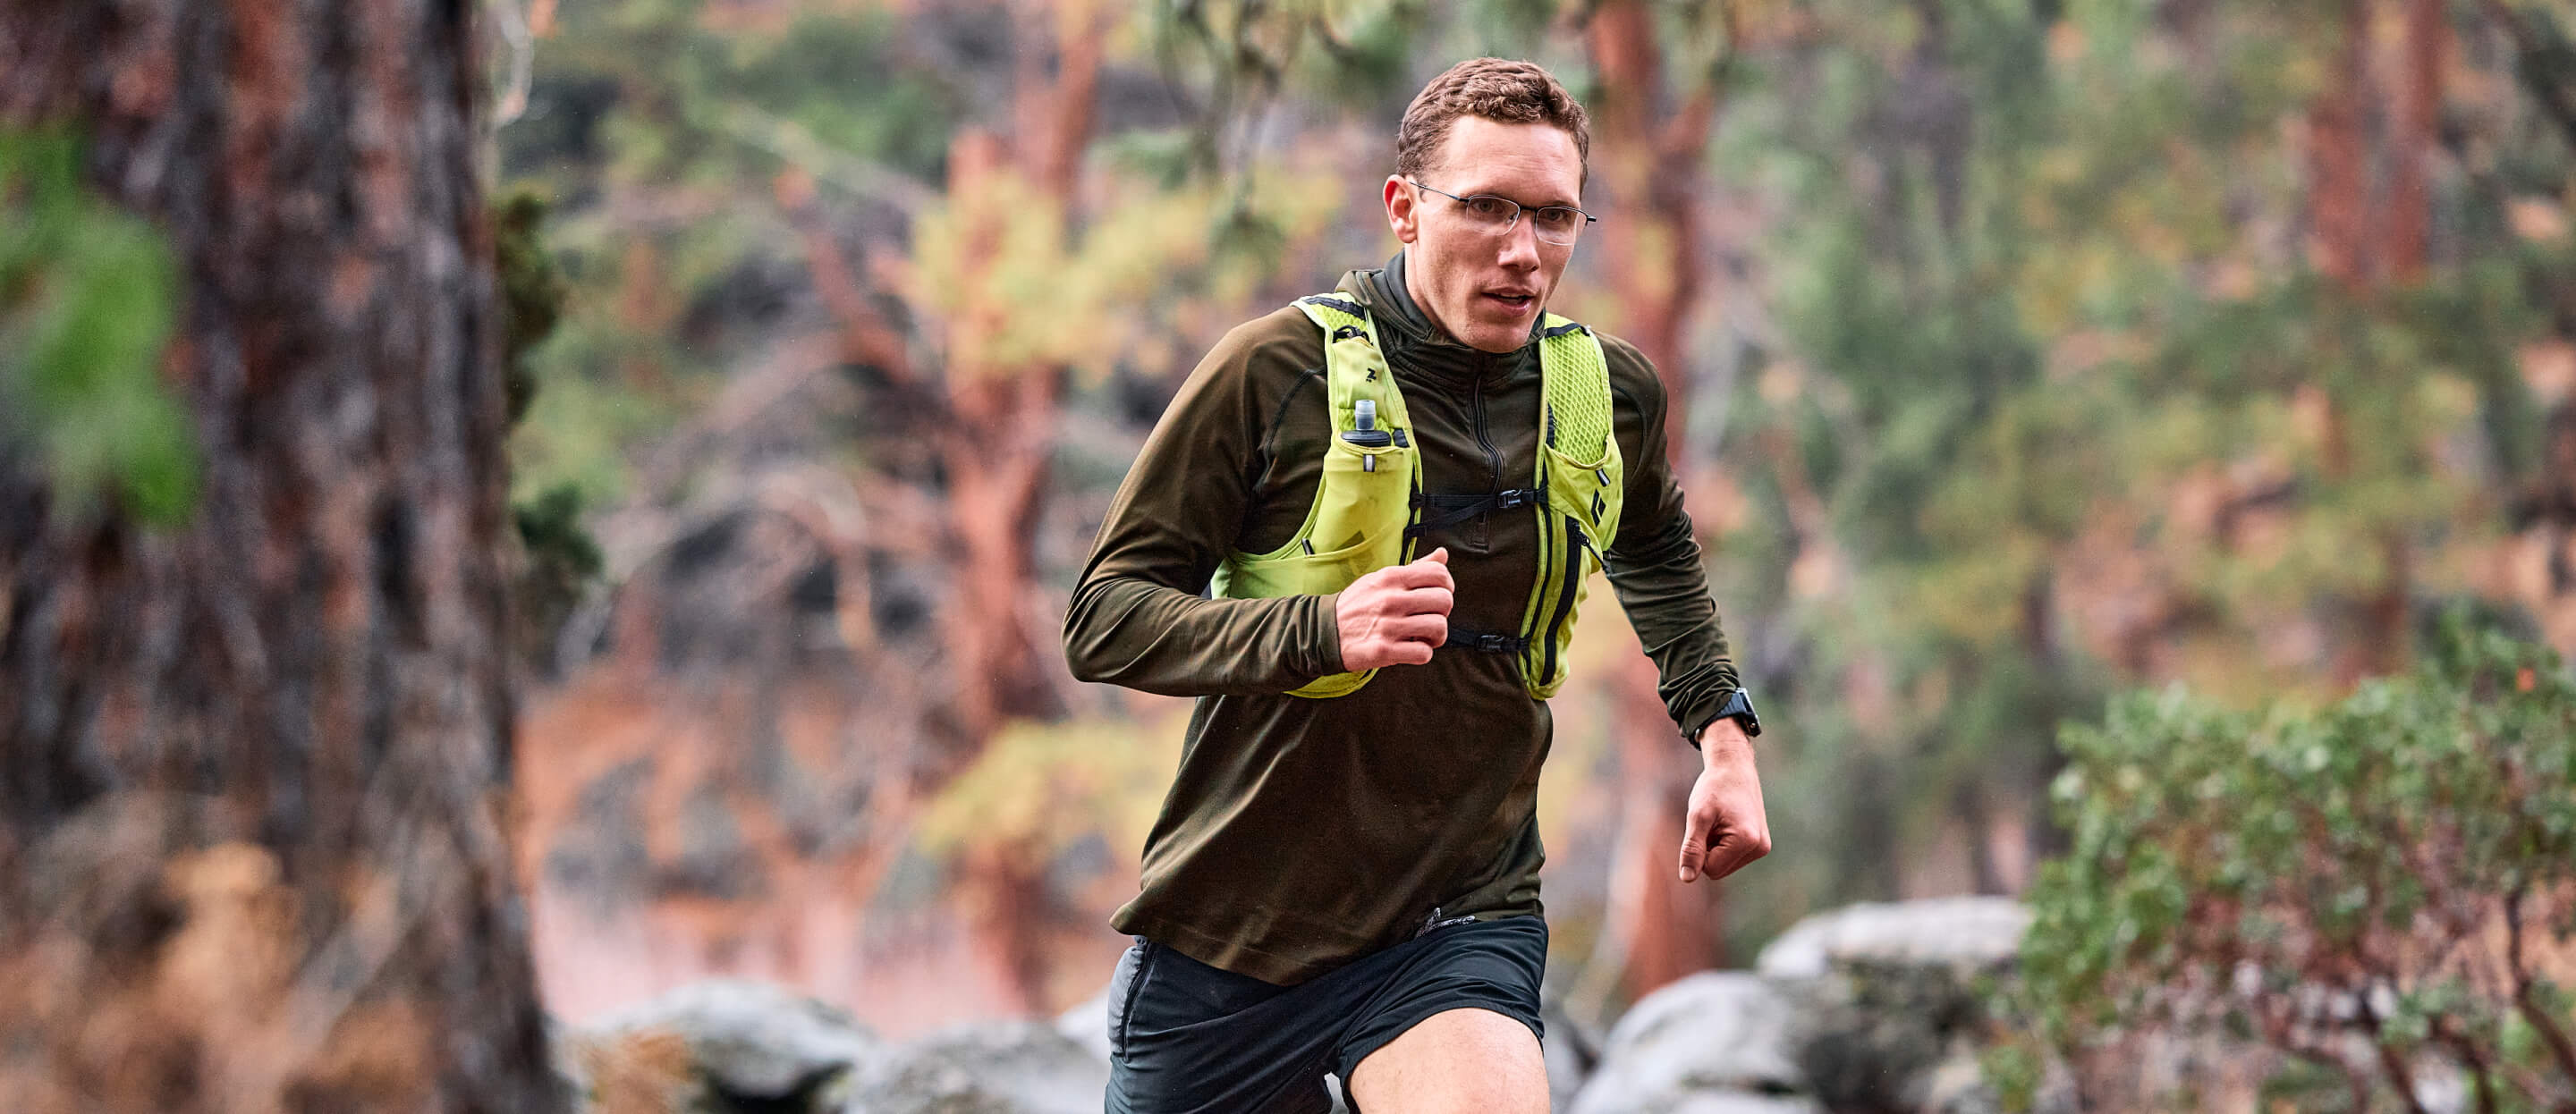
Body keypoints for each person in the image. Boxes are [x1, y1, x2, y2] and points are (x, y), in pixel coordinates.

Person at [1063, 56, 1769, 1114]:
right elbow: (1104, 616)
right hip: (1238, 934)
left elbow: (1658, 550)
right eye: (1485, 208)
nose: (1523, 251)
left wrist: (1722, 737)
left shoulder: (1603, 393)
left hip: (1459, 912)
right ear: (1404, 208)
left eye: (1553, 216)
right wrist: (1318, 629)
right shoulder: (1273, 373)